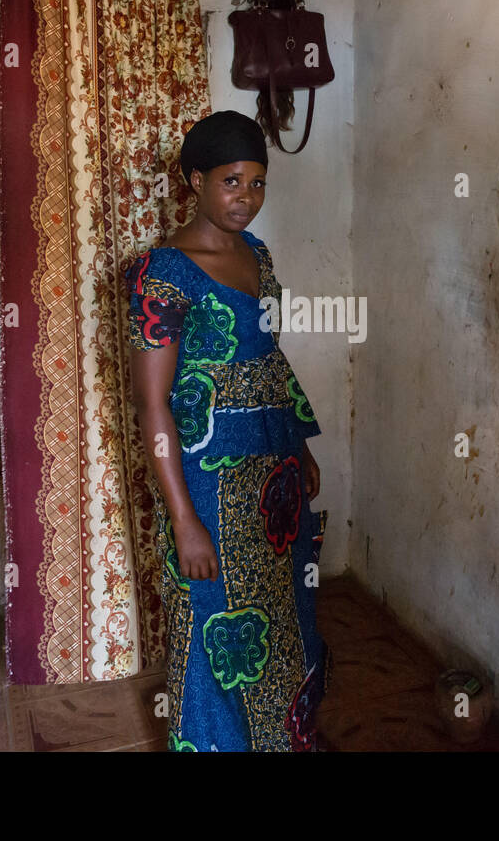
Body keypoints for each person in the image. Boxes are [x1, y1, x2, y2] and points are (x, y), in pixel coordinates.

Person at [124, 110, 330, 752]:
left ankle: (281, 738)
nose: (247, 197)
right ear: (195, 181)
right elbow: (151, 403)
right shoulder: (159, 273)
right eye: (231, 181)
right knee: (215, 620)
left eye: (258, 183)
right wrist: (183, 518)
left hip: (275, 474)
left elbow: (270, 357)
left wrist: (298, 445)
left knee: (283, 612)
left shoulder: (259, 259)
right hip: (208, 483)